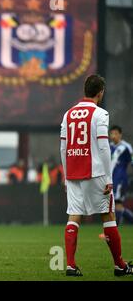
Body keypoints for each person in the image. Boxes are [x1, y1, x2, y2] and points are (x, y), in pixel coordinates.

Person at [60, 74, 132, 277]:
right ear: (100, 93)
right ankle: (120, 265)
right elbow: (103, 146)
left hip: (73, 172)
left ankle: (71, 265)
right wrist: (109, 178)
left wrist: (66, 174)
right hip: (95, 172)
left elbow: (63, 147)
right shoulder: (101, 114)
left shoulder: (68, 114)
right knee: (108, 216)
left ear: (85, 90)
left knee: (74, 215)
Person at [109, 125, 133, 224]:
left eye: (116, 133)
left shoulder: (126, 147)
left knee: (117, 204)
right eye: (111, 133)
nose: (113, 136)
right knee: (115, 206)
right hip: (111, 179)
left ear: (120, 134)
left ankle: (114, 230)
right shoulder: (109, 147)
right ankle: (114, 230)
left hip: (121, 179)